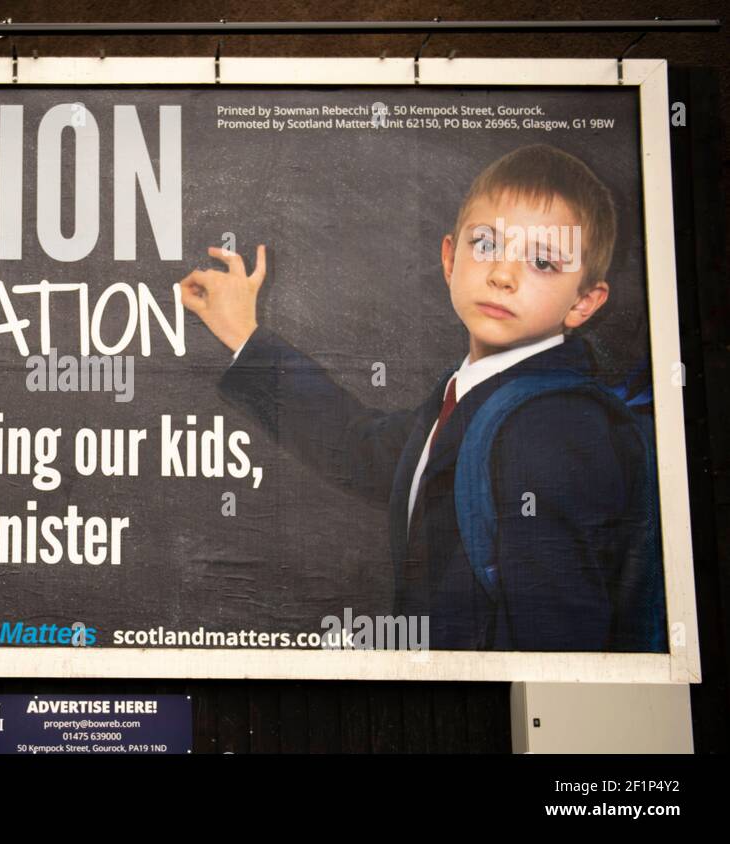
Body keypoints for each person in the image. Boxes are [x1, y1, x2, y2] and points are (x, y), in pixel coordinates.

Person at [178, 143, 665, 652]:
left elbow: (559, 636)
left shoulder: (552, 426)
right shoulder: (475, 394)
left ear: (584, 302)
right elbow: (360, 451)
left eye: (543, 261)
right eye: (487, 244)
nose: (504, 274)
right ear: (451, 258)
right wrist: (245, 335)